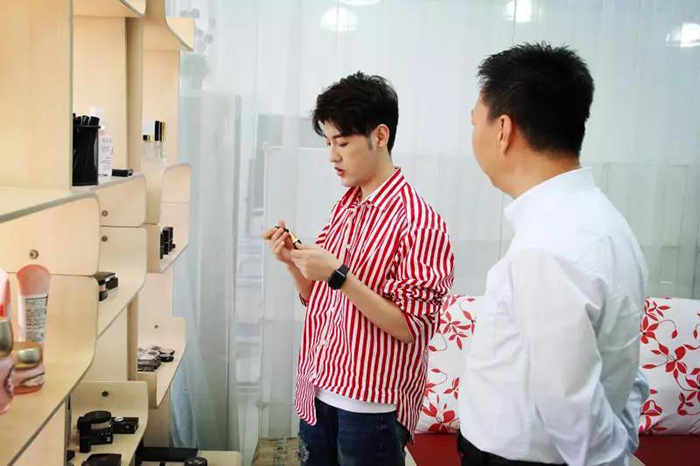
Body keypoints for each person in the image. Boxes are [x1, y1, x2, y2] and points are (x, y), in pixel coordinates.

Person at [459, 43, 649, 466]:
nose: (472, 135)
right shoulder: (605, 221)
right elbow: (626, 366)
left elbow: (572, 407)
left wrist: (614, 455)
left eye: (475, 121)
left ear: (503, 129)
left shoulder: (547, 245)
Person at [263, 71, 454, 465]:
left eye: (343, 142)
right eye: (328, 143)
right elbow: (320, 300)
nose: (332, 156)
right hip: (317, 390)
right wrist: (294, 264)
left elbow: (410, 327)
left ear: (380, 136)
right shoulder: (346, 206)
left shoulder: (420, 223)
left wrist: (339, 275)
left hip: (371, 409)